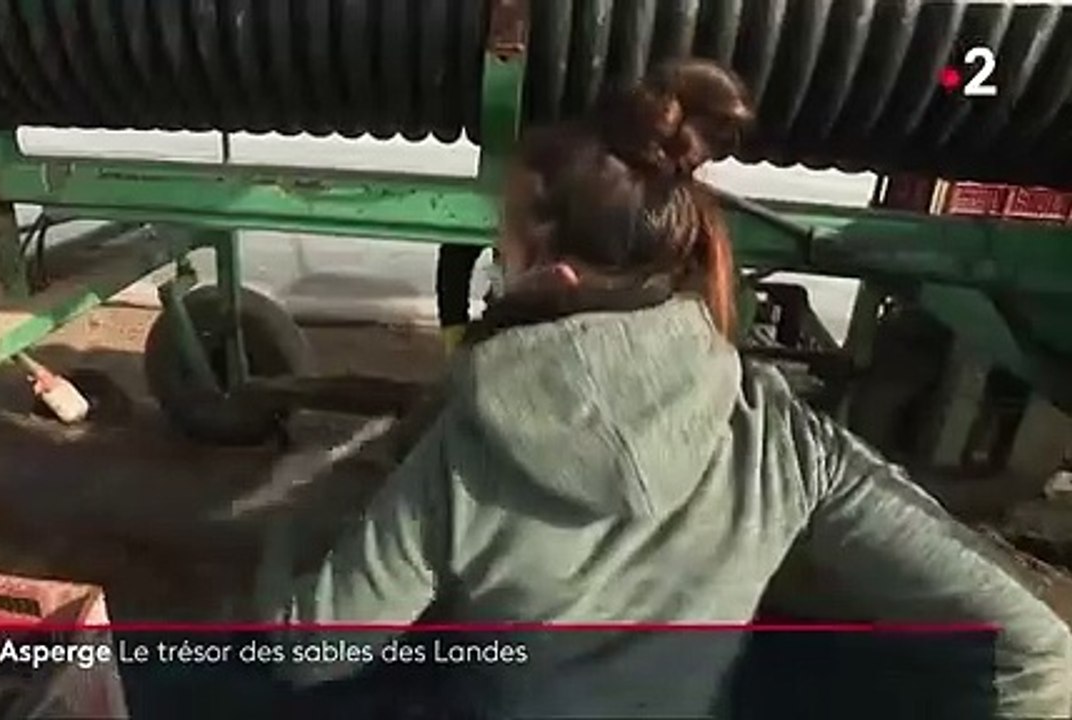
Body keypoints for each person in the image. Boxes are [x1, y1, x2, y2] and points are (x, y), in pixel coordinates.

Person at [253, 59, 1072, 718]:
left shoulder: (456, 456)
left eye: (502, 245)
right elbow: (1039, 654)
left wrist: (347, 478)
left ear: (555, 273)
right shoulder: (781, 437)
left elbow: (307, 652)